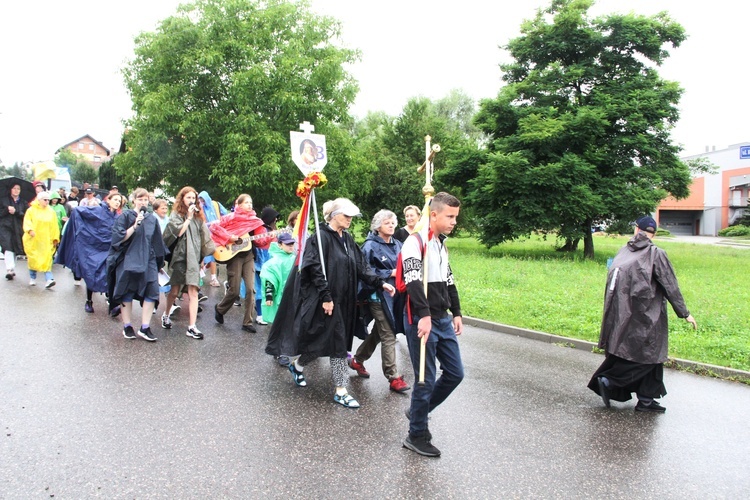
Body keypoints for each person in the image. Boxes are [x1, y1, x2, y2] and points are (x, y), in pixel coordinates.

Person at [283, 198, 395, 409]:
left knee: (326, 342)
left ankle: (296, 365)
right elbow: (314, 269)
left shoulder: (348, 239)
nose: (350, 219)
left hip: (345, 301)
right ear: (334, 216)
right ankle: (341, 391)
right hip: (326, 301)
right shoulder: (319, 238)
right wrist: (326, 297)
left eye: (352, 216)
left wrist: (380, 283)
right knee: (338, 345)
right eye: (346, 215)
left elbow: (362, 266)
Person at [588, 216, 697, 413]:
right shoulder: (656, 254)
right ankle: (609, 380)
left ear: (636, 229)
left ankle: (647, 400)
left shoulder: (624, 251)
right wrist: (685, 313)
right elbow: (670, 285)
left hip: (621, 315)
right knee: (648, 356)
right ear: (653, 233)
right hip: (646, 317)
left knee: (651, 356)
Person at [401, 192, 463, 457]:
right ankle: (416, 434)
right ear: (434, 215)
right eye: (449, 217)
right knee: (424, 380)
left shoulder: (440, 243)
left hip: (442, 319)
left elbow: (448, 280)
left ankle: (418, 411)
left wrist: (457, 311)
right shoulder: (414, 243)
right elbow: (414, 281)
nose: (453, 222)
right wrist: (424, 315)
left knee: (455, 372)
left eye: (455, 217)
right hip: (420, 318)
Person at [349, 209, 410, 393]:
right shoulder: (369, 247)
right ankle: (393, 377)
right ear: (378, 226)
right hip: (377, 297)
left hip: (396, 296)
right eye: (387, 223)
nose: (391, 225)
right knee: (389, 334)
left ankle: (357, 360)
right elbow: (364, 272)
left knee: (379, 332)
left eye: (393, 222)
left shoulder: (399, 244)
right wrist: (388, 273)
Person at [107, 188, 168, 341]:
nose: (143, 202)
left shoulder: (152, 219)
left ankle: (145, 327)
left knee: (151, 291)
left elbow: (157, 242)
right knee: (126, 291)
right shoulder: (125, 216)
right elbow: (118, 238)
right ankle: (127, 326)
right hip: (128, 259)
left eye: (146, 200)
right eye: (140, 199)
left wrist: (159, 262)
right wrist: (134, 225)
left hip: (148, 260)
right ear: (133, 200)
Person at [210, 194, 270, 333]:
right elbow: (214, 227)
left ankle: (247, 322)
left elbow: (260, 241)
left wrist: (268, 238)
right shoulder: (230, 218)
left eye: (251, 202)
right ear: (239, 204)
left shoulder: (256, 221)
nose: (249, 205)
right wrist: (229, 237)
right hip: (233, 255)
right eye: (246, 202)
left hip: (248, 255)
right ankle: (220, 309)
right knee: (234, 289)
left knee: (250, 289)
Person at [162, 186, 215, 340]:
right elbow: (177, 232)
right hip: (179, 258)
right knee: (174, 291)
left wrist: (202, 258)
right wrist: (189, 218)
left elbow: (204, 239)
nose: (191, 201)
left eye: (193, 198)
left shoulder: (199, 218)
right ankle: (166, 314)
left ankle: (192, 327)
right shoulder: (176, 215)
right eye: (188, 198)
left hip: (193, 259)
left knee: (193, 292)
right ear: (182, 199)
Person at [56, 193, 125, 313]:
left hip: (108, 249)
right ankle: (89, 301)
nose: (117, 202)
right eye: (115, 199)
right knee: (92, 273)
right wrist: (82, 232)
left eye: (119, 201)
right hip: (93, 248)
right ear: (108, 200)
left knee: (109, 274)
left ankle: (112, 304)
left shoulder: (117, 217)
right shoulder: (97, 210)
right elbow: (78, 211)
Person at [22, 191, 60, 288]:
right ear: (39, 200)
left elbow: (54, 226)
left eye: (48, 200)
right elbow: (27, 221)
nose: (47, 202)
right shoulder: (31, 210)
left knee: (47, 259)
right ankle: (32, 277)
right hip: (33, 240)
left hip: (46, 240)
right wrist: (29, 230)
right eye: (45, 200)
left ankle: (49, 279)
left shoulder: (51, 212)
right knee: (33, 259)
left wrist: (55, 238)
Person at [259, 231, 297, 325]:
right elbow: (269, 279)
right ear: (280, 245)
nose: (290, 246)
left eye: (292, 243)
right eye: (287, 244)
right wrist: (269, 296)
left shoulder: (296, 259)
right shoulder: (274, 262)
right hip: (280, 297)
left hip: (294, 295)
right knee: (280, 323)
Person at [253, 206, 280, 324]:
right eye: (275, 218)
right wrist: (272, 235)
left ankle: (266, 313)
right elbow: (258, 241)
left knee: (270, 289)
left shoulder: (271, 229)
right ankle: (259, 314)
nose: (276, 221)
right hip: (261, 260)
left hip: (271, 261)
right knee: (261, 289)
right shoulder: (260, 228)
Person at [197, 190, 228, 287]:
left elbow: (225, 215)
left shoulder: (216, 205)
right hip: (206, 235)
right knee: (209, 256)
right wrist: (210, 224)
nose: (202, 202)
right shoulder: (199, 208)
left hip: (218, 234)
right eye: (200, 200)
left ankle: (203, 273)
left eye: (203, 200)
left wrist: (220, 222)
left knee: (214, 257)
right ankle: (213, 278)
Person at [0, 182, 27, 280]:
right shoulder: (3, 200)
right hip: (5, 227)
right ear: (10, 189)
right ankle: (9, 269)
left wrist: (16, 212)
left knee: (15, 247)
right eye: (14, 188)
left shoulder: (23, 202)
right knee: (7, 246)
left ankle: (11, 268)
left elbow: (26, 215)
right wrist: (6, 210)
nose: (16, 190)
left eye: (18, 189)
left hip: (18, 228)